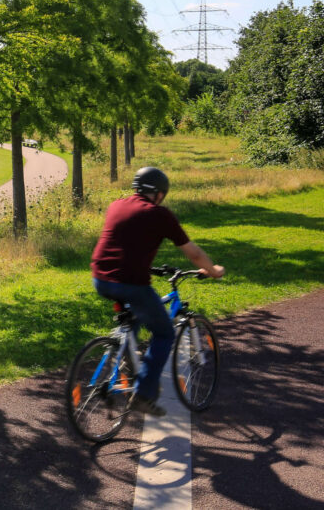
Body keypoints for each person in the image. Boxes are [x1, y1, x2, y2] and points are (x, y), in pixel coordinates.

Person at [90, 166, 226, 417]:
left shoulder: (116, 205)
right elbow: (193, 253)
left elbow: (122, 243)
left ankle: (126, 357)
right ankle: (142, 394)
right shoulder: (159, 214)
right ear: (160, 194)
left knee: (135, 320)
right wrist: (213, 270)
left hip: (100, 278)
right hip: (130, 283)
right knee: (164, 334)